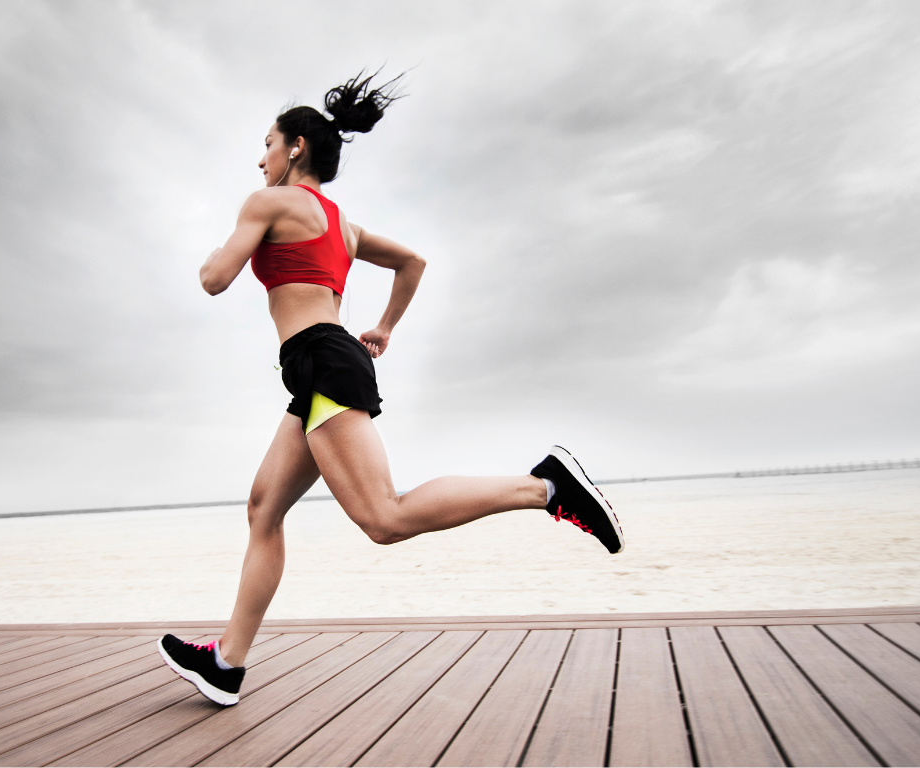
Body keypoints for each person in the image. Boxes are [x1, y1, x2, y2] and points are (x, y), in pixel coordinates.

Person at [157, 72, 623, 706]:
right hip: (323, 362)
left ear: (296, 147)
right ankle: (227, 665)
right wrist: (383, 328)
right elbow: (414, 263)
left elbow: (214, 278)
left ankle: (545, 486)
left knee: (384, 518)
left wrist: (223, 247)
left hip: (321, 361)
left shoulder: (265, 203)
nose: (258, 157)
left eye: (266, 143)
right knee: (264, 509)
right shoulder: (343, 225)